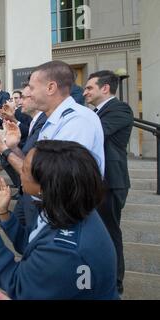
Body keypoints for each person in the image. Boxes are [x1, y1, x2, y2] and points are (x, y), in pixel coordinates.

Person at [0, 140, 119, 300]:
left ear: (45, 185)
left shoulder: (64, 252)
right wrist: (3, 213)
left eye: (25, 170)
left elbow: (17, 285)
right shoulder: (68, 206)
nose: (20, 172)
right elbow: (29, 243)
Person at [0, 61, 105, 180]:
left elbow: (51, 179)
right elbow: (35, 167)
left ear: (50, 88)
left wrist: (2, 148)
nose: (29, 95)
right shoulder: (52, 120)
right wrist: (13, 147)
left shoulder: (78, 121)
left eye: (32, 88)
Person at [84, 70, 134, 295]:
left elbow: (97, 133)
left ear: (105, 88)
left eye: (89, 88)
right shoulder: (96, 112)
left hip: (111, 181)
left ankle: (115, 283)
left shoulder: (120, 109)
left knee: (110, 233)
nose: (85, 92)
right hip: (96, 181)